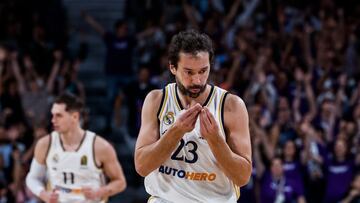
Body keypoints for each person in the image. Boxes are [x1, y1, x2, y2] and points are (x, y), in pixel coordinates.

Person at [134, 29, 252, 202]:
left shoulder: (231, 105)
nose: (197, 80)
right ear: (172, 67)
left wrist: (215, 140)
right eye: (189, 72)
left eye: (203, 71)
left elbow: (242, 177)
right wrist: (175, 132)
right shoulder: (157, 100)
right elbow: (142, 167)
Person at [25, 93, 126, 202]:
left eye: (59, 115)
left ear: (75, 117)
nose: (53, 120)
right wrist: (43, 193)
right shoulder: (45, 144)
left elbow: (120, 182)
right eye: (52, 115)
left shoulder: (99, 146)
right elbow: (32, 178)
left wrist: (100, 192)